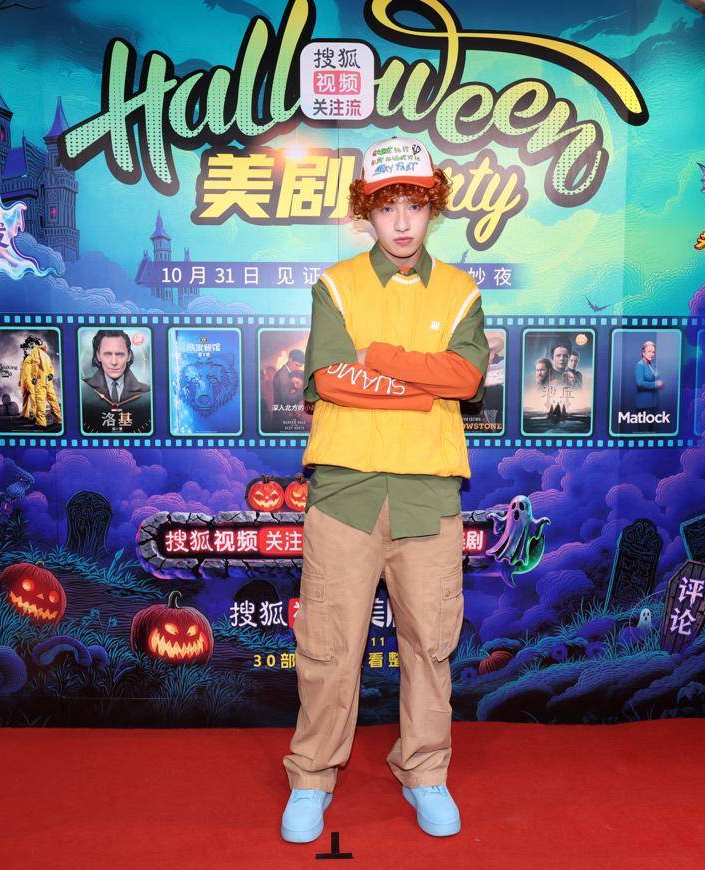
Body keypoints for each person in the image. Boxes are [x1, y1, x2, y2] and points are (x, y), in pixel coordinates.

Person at [281, 136, 488, 844]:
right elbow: (327, 380)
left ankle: (425, 771)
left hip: (428, 496)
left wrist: (381, 359)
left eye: (415, 206)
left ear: (433, 208)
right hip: (344, 493)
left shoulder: (460, 290)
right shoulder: (336, 284)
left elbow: (466, 379)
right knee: (328, 646)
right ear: (365, 212)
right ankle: (311, 778)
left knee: (430, 644)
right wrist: (419, 387)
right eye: (387, 206)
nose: (402, 222)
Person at [81, 329, 151, 433]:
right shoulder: (83, 389)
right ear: (98, 355)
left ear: (129, 356)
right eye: (107, 354)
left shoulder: (147, 392)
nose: (114, 362)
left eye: (120, 354)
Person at [18, 335, 62, 429]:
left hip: (40, 380)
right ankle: (58, 419)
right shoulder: (45, 354)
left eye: (31, 344)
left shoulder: (35, 351)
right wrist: (51, 374)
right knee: (53, 400)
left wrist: (34, 378)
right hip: (48, 380)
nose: (30, 346)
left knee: (40, 400)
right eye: (29, 344)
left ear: (35, 343)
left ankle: (41, 423)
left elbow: (35, 365)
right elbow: (51, 367)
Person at [634, 339, 662, 411]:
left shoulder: (653, 365)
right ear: (643, 353)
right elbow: (640, 384)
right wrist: (655, 384)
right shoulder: (640, 365)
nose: (652, 354)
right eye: (649, 351)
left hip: (654, 403)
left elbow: (657, 377)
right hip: (644, 404)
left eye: (653, 352)